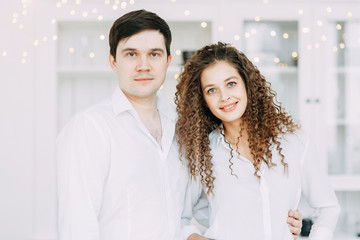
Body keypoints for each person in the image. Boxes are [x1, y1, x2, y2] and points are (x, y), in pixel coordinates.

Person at [56, 10, 303, 240]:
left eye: (154, 54)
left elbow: (209, 206)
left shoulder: (181, 129)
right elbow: (77, 226)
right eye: (131, 54)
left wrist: (274, 217)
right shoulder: (90, 129)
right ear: (113, 62)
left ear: (167, 61)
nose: (144, 65)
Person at [175, 42, 341, 240]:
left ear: (247, 84)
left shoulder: (294, 141)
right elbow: (181, 218)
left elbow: (327, 208)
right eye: (212, 90)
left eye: (231, 83)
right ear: (202, 100)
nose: (224, 96)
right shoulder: (203, 151)